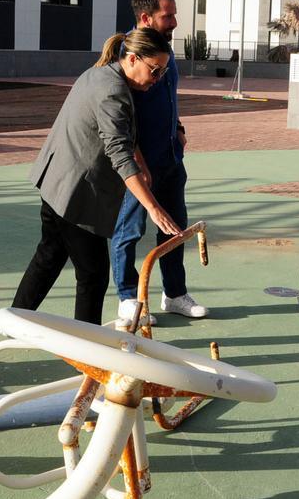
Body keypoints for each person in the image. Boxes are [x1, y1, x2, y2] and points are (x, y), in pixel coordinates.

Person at [12, 28, 183, 325]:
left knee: (50, 255)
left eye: (162, 72)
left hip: (57, 181)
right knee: (92, 275)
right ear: (131, 59)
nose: (157, 79)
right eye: (154, 70)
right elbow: (118, 152)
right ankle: (89, 345)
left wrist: (140, 161)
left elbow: (123, 134)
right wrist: (153, 207)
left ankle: (15, 318)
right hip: (74, 193)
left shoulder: (102, 74)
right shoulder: (112, 91)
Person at [112, 0, 208, 328]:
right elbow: (120, 117)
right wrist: (137, 159)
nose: (175, 21)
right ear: (145, 17)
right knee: (129, 229)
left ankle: (175, 293)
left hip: (171, 158)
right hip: (140, 165)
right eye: (168, 15)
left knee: (174, 227)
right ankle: (128, 297)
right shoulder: (128, 58)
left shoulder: (165, 52)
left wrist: (179, 128)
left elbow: (168, 99)